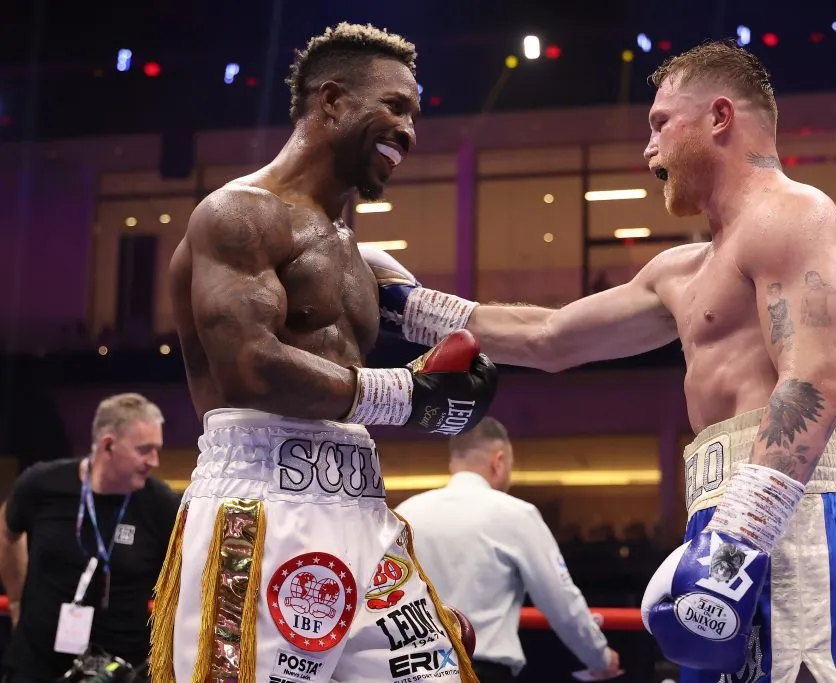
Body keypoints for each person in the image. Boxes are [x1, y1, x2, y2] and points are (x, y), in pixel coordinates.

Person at [361, 39, 836, 683]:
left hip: (794, 517)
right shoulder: (683, 270)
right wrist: (409, 306)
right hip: (722, 524)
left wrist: (737, 538)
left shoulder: (796, 216)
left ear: (720, 117)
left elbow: (816, 381)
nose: (649, 149)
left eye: (661, 124)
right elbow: (550, 337)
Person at [153, 22, 498, 683]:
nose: (409, 131)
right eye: (395, 106)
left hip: (361, 501)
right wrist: (407, 395)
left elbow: (506, 331)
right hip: (260, 505)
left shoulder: (358, 252)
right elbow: (250, 366)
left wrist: (442, 383)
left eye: (415, 114)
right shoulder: (239, 214)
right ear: (333, 100)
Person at [394, 418, 621, 682]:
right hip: (482, 671)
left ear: (453, 463)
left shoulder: (405, 514)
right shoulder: (515, 515)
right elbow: (560, 600)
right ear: (499, 461)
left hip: (409, 671)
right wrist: (599, 656)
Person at [0, 393, 179, 683]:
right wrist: (17, 600)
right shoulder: (42, 484)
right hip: (38, 665)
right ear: (108, 445)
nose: (154, 461)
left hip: (124, 670)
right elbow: (8, 528)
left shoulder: (160, 504)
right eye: (145, 450)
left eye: (156, 450)